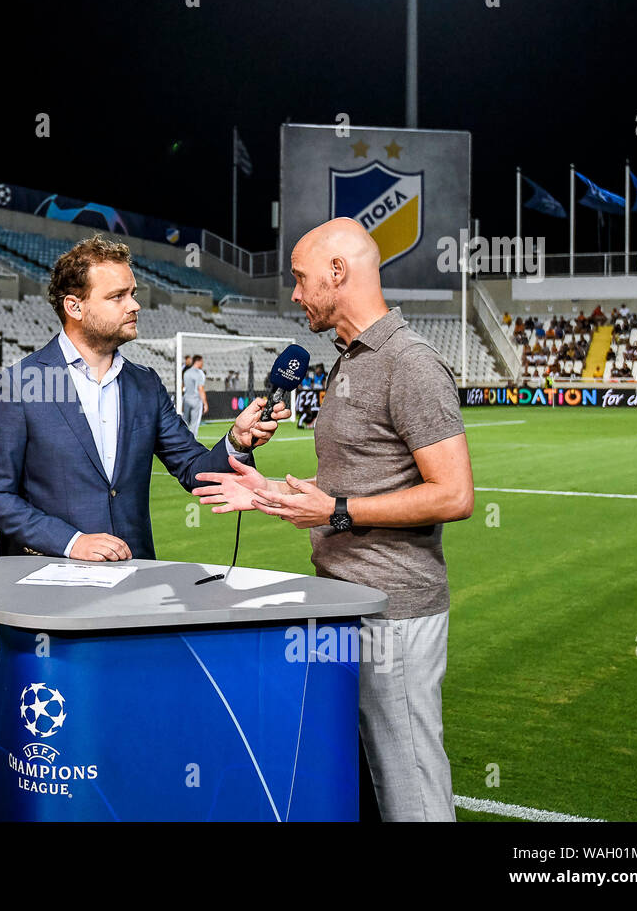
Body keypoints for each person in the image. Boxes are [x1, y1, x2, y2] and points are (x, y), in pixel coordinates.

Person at [192, 218, 473, 822]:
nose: (294, 294)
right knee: (365, 785)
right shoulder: (350, 360)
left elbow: (453, 494)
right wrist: (269, 493)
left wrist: (338, 511)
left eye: (300, 278)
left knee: (411, 790)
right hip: (346, 605)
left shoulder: (410, 363)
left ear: (337, 273)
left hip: (393, 612)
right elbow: (353, 484)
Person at [0, 233, 289, 562]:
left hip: (134, 576)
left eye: (132, 293)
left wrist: (236, 440)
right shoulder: (20, 384)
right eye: (117, 296)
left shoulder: (146, 384)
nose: (135, 305)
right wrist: (71, 542)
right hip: (50, 585)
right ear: (74, 307)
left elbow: (194, 470)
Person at [181, 354, 207, 436]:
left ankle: (182, 440)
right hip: (196, 400)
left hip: (186, 399)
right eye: (202, 362)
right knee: (194, 424)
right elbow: (200, 388)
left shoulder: (186, 372)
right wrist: (205, 403)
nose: (202, 364)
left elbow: (182, 386)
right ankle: (191, 444)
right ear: (198, 361)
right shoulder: (200, 373)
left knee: (185, 422)